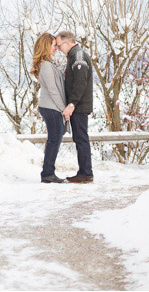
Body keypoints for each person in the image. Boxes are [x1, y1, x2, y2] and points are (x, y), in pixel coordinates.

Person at [55, 30, 94, 183]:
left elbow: (80, 83)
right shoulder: (74, 56)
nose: (58, 49)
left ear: (67, 42)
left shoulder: (78, 57)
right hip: (78, 105)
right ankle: (84, 171)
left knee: (81, 138)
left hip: (79, 106)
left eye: (59, 46)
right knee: (79, 138)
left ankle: (85, 173)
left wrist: (72, 104)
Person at [31, 32, 68, 184]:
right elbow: (53, 90)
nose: (56, 48)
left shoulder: (47, 64)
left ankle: (48, 172)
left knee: (54, 139)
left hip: (51, 107)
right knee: (54, 140)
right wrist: (63, 109)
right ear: (46, 46)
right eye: (54, 45)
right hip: (51, 107)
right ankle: (47, 173)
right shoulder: (46, 66)